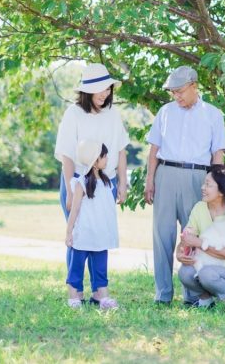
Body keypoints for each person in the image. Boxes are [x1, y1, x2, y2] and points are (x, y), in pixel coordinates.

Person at [144, 65, 225, 304]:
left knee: (193, 235)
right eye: (172, 92)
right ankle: (162, 294)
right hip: (166, 174)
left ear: (194, 85)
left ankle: (192, 295)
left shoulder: (213, 114)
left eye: (180, 91)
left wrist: (217, 186)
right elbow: (154, 151)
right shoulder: (165, 112)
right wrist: (150, 180)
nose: (176, 96)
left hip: (198, 178)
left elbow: (218, 155)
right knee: (162, 236)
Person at [54, 63, 129, 300]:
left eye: (107, 88)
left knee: (100, 234)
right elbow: (66, 154)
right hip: (77, 183)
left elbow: (122, 150)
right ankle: (75, 292)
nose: (105, 93)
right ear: (87, 90)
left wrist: (123, 183)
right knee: (78, 238)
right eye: (100, 89)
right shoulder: (73, 114)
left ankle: (100, 292)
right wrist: (68, 187)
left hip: (107, 182)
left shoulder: (112, 115)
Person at [177, 165, 225, 310]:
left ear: (222, 191)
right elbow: (186, 238)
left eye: (208, 185)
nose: (202, 187)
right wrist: (180, 252)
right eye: (204, 183)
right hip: (209, 270)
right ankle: (206, 301)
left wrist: (199, 242)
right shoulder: (199, 207)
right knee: (185, 272)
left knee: (206, 273)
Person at [65, 140, 119, 309]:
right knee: (77, 265)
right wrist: (69, 232)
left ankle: (100, 295)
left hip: (100, 235)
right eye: (104, 156)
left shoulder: (106, 182)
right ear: (95, 160)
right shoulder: (81, 183)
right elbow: (74, 210)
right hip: (84, 234)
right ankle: (75, 295)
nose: (107, 158)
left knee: (100, 267)